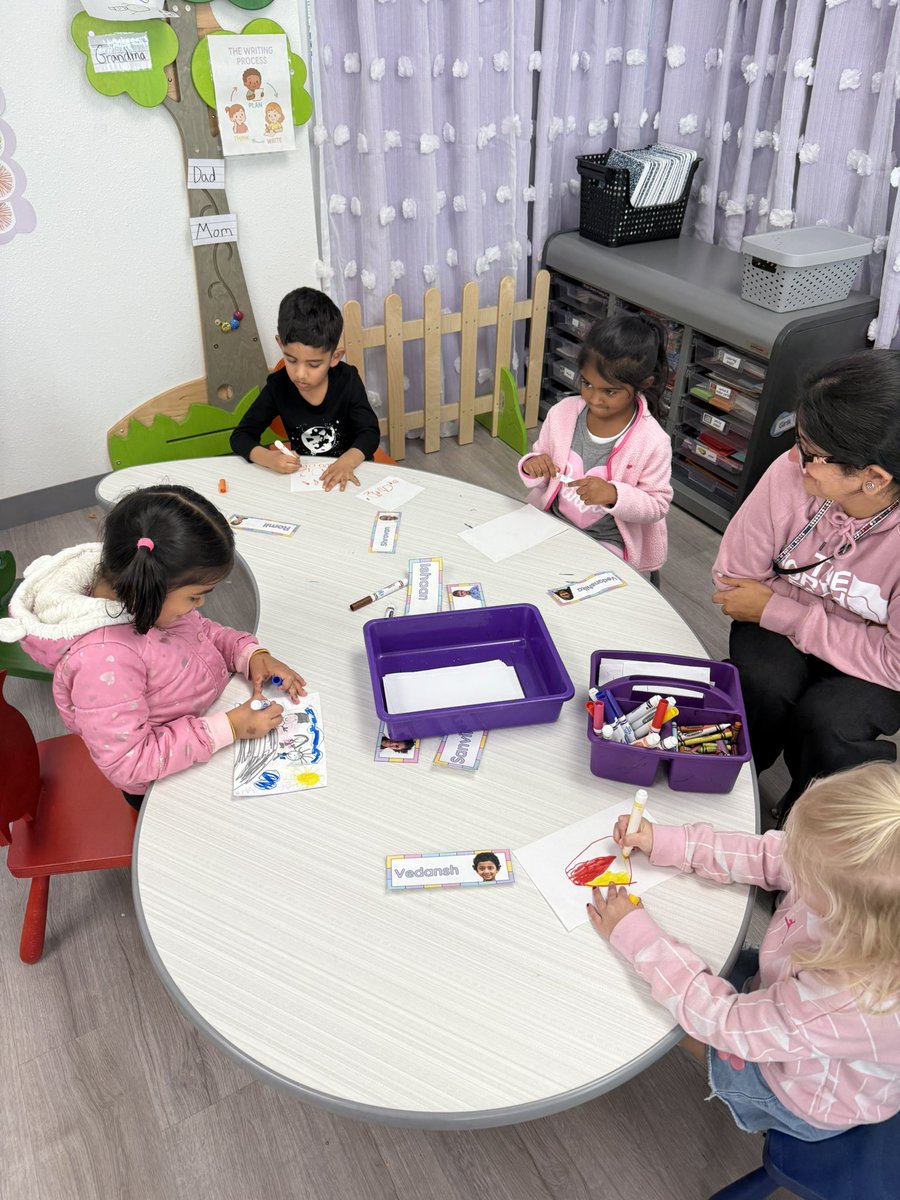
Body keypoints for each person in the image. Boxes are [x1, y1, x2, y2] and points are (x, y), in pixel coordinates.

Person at [588, 761, 900, 1140]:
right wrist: (669, 843)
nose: (790, 856)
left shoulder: (843, 1000)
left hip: (798, 1089)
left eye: (801, 865)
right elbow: (768, 855)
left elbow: (724, 1023)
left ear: (846, 915)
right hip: (790, 993)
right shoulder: (856, 884)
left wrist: (637, 936)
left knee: (655, 1015)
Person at [0, 485, 306, 810]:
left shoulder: (146, 597)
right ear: (148, 587)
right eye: (195, 596)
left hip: (206, 726)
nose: (200, 605)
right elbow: (130, 764)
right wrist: (227, 727)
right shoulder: (102, 661)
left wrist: (250, 655)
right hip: (161, 784)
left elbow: (201, 632)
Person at [711, 351, 900, 819]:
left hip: (871, 666)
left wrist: (784, 610)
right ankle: (728, 779)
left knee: (831, 721)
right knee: (760, 683)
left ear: (874, 479)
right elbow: (735, 583)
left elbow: (894, 665)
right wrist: (850, 626)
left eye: (813, 455)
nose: (797, 461)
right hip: (840, 641)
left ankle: (806, 816)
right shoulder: (790, 474)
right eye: (799, 441)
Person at [517, 313, 673, 574]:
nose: (594, 398)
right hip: (553, 521)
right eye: (587, 384)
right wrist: (533, 465)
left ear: (644, 384)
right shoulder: (563, 413)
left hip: (608, 542)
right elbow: (539, 458)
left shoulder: (653, 441)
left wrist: (614, 494)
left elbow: (657, 505)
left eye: (609, 391)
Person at [231, 287, 380, 492]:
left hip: (353, 471)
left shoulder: (348, 380)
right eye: (291, 360)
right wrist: (268, 458)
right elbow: (241, 436)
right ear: (280, 344)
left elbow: (370, 433)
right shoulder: (278, 386)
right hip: (308, 480)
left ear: (335, 357)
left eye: (314, 365)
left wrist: (348, 461)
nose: (300, 374)